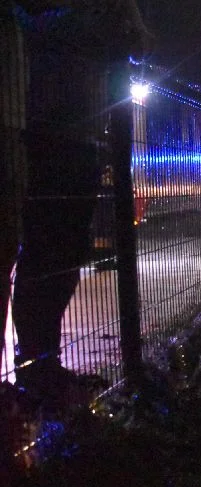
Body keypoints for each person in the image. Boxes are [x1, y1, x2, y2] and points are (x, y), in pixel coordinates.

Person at [3, 0, 152, 398]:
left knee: (66, 251)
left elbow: (135, 44)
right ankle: (36, 364)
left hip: (80, 134)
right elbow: (30, 27)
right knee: (46, 253)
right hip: (42, 131)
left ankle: (43, 362)